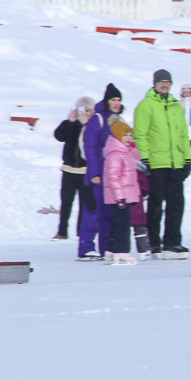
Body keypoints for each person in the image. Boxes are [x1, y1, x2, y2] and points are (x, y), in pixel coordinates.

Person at [133, 68, 191, 259]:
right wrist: (145, 159)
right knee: (156, 205)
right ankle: (154, 243)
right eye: (161, 82)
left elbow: (184, 135)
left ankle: (173, 242)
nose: (165, 85)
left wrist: (187, 159)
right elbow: (140, 134)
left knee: (176, 204)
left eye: (168, 82)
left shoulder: (176, 106)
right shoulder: (146, 105)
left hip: (176, 164)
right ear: (155, 84)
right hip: (157, 164)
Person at [81, 84, 123, 260]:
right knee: (93, 211)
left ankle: (106, 247)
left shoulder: (119, 120)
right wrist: (94, 173)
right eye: (113, 99)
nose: (116, 103)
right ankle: (86, 247)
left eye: (119, 100)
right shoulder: (97, 119)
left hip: (112, 175)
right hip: (98, 175)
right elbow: (89, 147)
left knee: (108, 214)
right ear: (107, 101)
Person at [52, 97, 94, 241]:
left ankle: (81, 232)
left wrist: (86, 125)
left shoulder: (92, 126)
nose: (84, 113)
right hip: (69, 169)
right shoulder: (71, 124)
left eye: (87, 110)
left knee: (84, 204)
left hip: (84, 171)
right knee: (66, 202)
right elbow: (59, 136)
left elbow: (92, 142)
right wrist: (70, 122)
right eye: (82, 109)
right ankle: (62, 231)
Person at [102, 119, 142, 265]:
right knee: (123, 224)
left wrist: (133, 147)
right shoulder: (115, 154)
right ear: (118, 137)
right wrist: (120, 198)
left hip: (125, 195)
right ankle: (122, 250)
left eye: (131, 135)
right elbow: (113, 177)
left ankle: (111, 250)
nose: (129, 138)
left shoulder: (126, 152)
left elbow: (136, 162)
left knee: (117, 223)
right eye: (126, 135)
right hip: (120, 196)